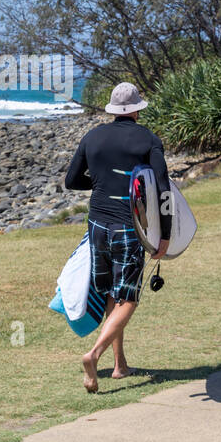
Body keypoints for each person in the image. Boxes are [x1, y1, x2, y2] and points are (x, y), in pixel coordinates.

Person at [64, 82, 171, 393]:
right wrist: (164, 232)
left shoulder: (93, 136)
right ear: (136, 109)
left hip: (97, 223)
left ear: (113, 109)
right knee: (129, 297)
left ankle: (120, 365)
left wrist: (100, 184)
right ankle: (93, 355)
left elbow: (72, 180)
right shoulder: (148, 139)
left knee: (113, 291)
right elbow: (162, 188)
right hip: (129, 225)